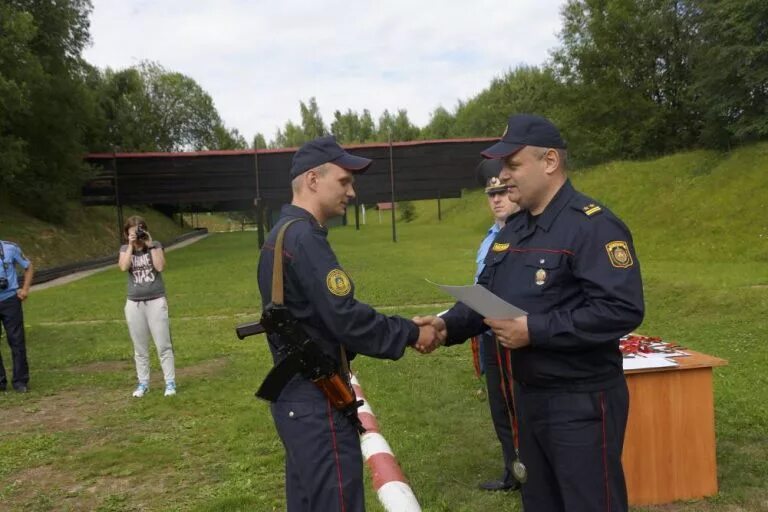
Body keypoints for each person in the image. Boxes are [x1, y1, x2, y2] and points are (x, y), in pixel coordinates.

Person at [415, 114, 644, 512]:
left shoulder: (593, 227)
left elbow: (621, 309)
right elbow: (486, 292)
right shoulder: (514, 229)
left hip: (581, 402)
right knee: (539, 501)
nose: (503, 177)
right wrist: (446, 324)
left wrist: (535, 330)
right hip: (528, 397)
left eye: (513, 165)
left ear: (550, 162)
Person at [257, 135, 438, 512]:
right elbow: (347, 319)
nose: (352, 192)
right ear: (312, 180)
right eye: (344, 181)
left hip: (295, 399)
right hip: (317, 400)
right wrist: (411, 332)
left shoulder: (281, 233)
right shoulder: (305, 238)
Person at [472, 159, 522, 492]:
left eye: (503, 191)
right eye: (492, 194)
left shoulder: (525, 234)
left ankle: (533, 473)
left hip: (519, 337)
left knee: (522, 408)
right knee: (499, 408)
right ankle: (512, 472)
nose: (497, 199)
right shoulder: (488, 239)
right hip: (490, 335)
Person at [118, 216, 177, 398]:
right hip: (134, 303)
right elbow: (123, 266)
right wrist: (130, 245)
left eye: (140, 229)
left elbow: (159, 267)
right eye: (133, 231)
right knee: (140, 347)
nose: (137, 234)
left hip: (156, 300)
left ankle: (170, 382)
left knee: (163, 344)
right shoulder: (124, 249)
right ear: (127, 233)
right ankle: (143, 382)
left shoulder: (155, 245)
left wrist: (150, 244)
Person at [0, 239, 34, 393]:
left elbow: (28, 266)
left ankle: (20, 381)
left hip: (10, 300)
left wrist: (25, 289)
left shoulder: (10, 248)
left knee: (16, 340)